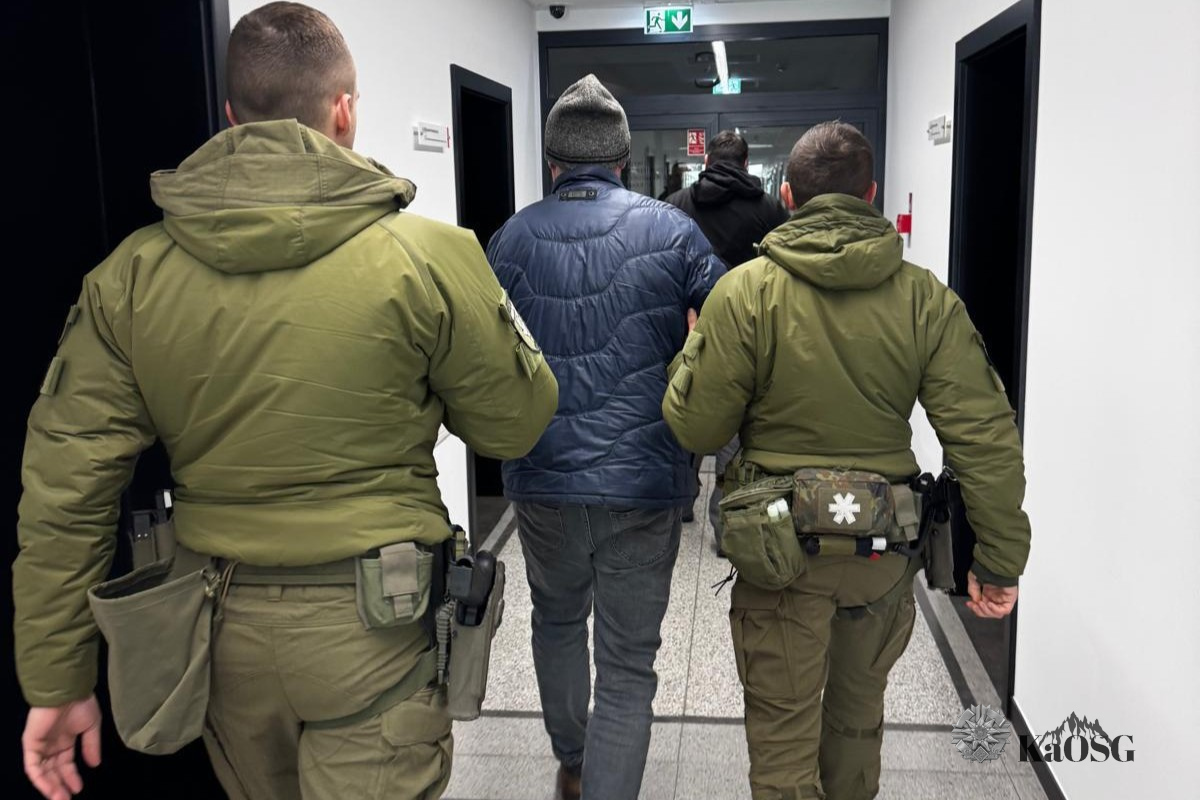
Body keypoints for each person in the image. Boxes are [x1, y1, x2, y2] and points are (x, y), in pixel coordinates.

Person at [13, 4, 558, 800]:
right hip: (379, 621)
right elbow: (515, 422)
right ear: (344, 110)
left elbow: (66, 492)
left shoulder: (130, 275)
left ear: (231, 116)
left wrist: (56, 678)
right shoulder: (429, 256)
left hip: (216, 627)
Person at [662, 121, 1030, 800]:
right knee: (857, 727)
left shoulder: (744, 293)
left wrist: (692, 351)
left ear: (789, 197)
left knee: (782, 741)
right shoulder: (925, 299)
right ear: (871, 194)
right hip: (882, 556)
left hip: (777, 553)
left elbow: (696, 426)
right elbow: (985, 437)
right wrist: (999, 559)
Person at [486, 74, 724, 800]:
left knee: (557, 620)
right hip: (642, 481)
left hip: (544, 477)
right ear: (622, 159)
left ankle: (573, 763)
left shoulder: (510, 237)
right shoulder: (672, 230)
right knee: (626, 664)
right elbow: (734, 321)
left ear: (552, 161)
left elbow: (482, 352)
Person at [664, 130, 790, 544]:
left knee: (688, 410)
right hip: (749, 334)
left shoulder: (677, 204)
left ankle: (683, 501)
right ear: (745, 162)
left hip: (690, 333)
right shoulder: (770, 208)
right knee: (735, 429)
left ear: (706, 162)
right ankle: (723, 522)